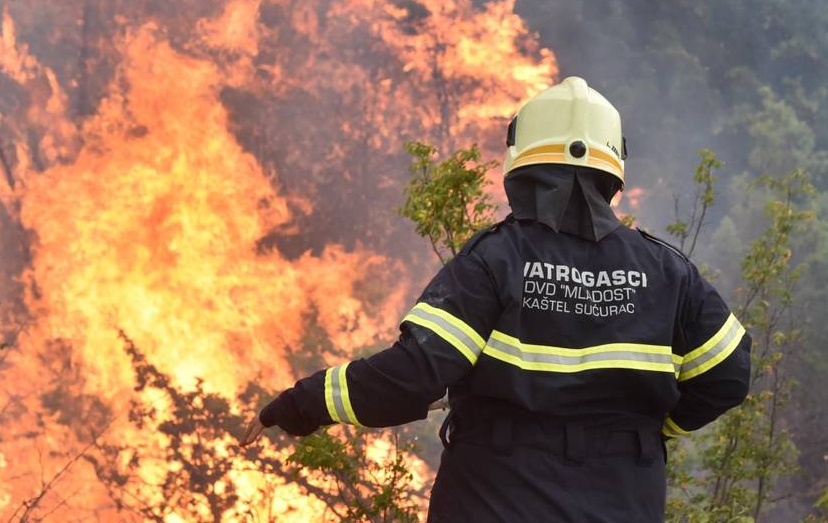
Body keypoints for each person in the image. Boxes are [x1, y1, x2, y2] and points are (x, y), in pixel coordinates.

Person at [241, 76, 752, 523]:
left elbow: (413, 376)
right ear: (612, 168)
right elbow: (728, 376)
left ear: (521, 164)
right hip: (624, 501)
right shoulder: (666, 270)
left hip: (493, 500)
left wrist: (303, 403)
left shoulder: (496, 259)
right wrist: (647, 430)